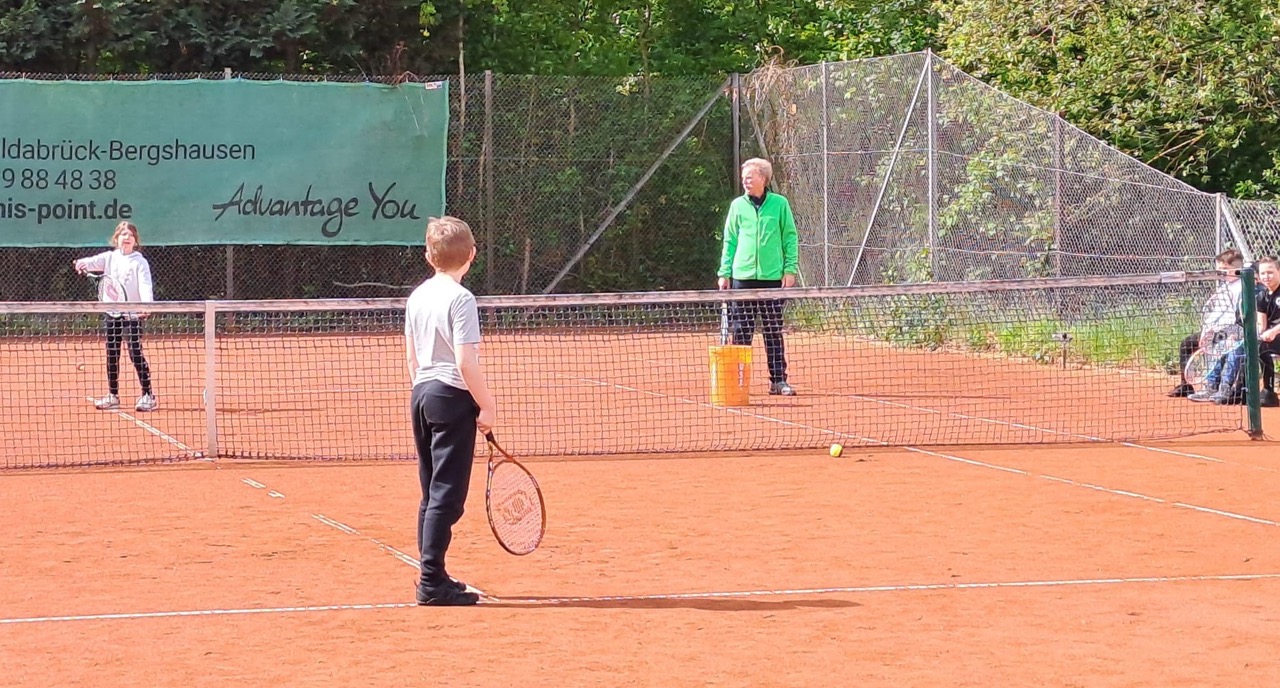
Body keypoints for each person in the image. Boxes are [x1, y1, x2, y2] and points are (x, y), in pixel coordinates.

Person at [405, 216, 496, 607]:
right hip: (449, 397)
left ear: (429, 256)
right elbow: (465, 362)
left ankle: (435, 575)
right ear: (472, 254)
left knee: (432, 493)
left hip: (422, 395)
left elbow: (412, 358)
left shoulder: (417, 296)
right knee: (447, 495)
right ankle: (430, 582)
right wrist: (486, 405)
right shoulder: (462, 299)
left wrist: (427, 391)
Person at [717, 157, 800, 396]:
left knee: (773, 330)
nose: (745, 181)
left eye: (750, 177)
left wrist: (790, 269)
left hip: (772, 278)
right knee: (741, 331)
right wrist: (724, 272)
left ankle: (778, 381)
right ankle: (738, 381)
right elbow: (730, 240)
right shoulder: (737, 206)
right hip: (742, 279)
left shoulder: (780, 204)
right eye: (744, 178)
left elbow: (790, 237)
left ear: (763, 178)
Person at [72, 221, 157, 412]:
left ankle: (148, 395)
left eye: (131, 235)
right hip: (112, 314)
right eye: (123, 234)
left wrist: (146, 305)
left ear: (135, 241)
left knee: (135, 353)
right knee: (112, 353)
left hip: (132, 316)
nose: (127, 238)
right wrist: (81, 263)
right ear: (116, 239)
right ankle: (113, 395)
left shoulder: (140, 262)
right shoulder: (109, 258)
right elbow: (90, 262)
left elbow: (145, 284)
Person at [1169, 249, 1244, 398]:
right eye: (1219, 269)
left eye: (1225, 269)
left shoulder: (1242, 287)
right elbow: (1214, 313)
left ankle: (1214, 387)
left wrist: (1226, 333)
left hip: (1231, 331)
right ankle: (1186, 385)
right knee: (1187, 344)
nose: (1221, 273)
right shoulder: (1224, 287)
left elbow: (1238, 317)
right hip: (1216, 330)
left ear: (1237, 269)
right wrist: (1206, 331)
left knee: (1217, 345)